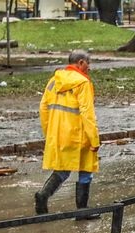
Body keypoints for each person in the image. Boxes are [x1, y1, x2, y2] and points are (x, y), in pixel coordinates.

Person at [36, 49, 100, 218]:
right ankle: (82, 210)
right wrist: (94, 139)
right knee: (86, 169)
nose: (89, 67)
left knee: (63, 170)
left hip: (58, 134)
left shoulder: (54, 81)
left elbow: (43, 108)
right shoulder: (83, 83)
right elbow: (87, 113)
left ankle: (43, 195)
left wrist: (49, 132)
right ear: (80, 63)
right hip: (79, 134)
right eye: (88, 63)